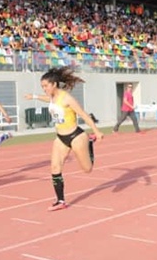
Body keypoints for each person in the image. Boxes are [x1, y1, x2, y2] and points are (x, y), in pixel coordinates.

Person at [24, 67, 104, 211]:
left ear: (54, 84)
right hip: (61, 137)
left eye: (46, 86)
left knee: (87, 169)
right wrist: (34, 97)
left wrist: (96, 131)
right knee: (55, 168)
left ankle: (90, 143)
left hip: (76, 136)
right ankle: (61, 201)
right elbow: (47, 99)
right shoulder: (52, 97)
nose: (44, 89)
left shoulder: (67, 98)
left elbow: (84, 115)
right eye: (42, 86)